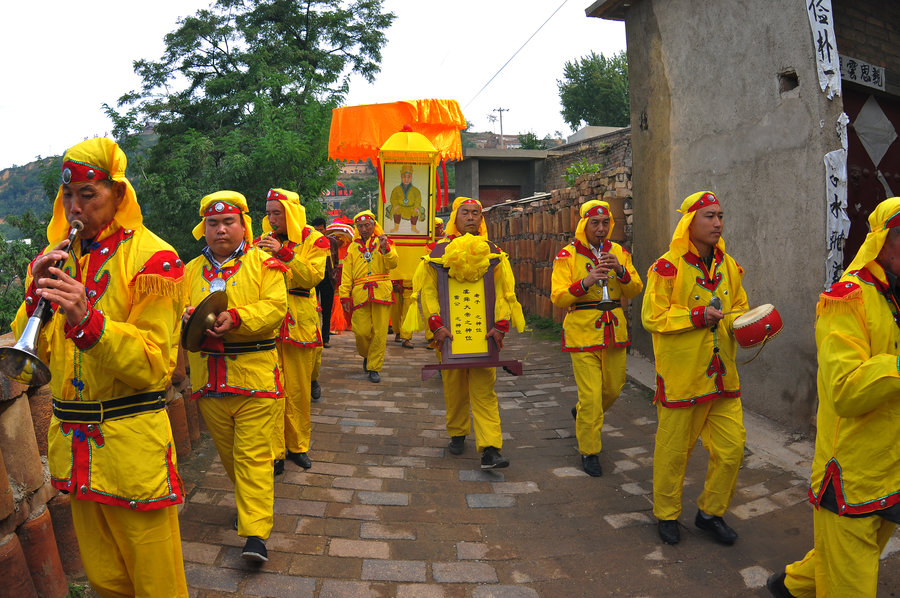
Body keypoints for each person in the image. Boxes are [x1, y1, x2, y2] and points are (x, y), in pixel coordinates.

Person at [11, 137, 188, 596]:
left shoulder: (155, 259)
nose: (75, 208)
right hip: (77, 454)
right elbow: (35, 361)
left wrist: (87, 319)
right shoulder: (66, 258)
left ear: (118, 195)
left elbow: (154, 364)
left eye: (88, 195)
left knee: (157, 584)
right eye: (68, 196)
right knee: (105, 581)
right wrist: (35, 295)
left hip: (133, 453)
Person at [767, 198, 900, 598]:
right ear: (882, 242)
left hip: (893, 466)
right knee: (851, 579)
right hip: (852, 474)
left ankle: (790, 585)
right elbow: (845, 390)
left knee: (852, 558)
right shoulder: (847, 299)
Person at [182, 190, 287, 563]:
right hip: (209, 384)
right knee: (230, 458)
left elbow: (275, 308)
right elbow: (174, 316)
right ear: (204, 228)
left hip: (255, 378)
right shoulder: (189, 271)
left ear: (244, 225)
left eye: (229, 222)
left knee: (254, 457)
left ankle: (256, 535)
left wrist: (237, 318)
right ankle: (250, 503)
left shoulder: (266, 264)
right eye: (213, 223)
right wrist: (186, 319)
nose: (221, 230)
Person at [641, 190, 749, 546]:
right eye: (710, 216)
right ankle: (667, 514)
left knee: (732, 449)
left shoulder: (728, 265)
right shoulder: (666, 267)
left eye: (720, 216)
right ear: (690, 222)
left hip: (722, 378)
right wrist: (696, 316)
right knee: (674, 452)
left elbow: (737, 310)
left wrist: (750, 325)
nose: (718, 223)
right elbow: (652, 316)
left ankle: (710, 513)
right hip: (682, 379)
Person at [405, 196, 525, 469]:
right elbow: (430, 292)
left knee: (485, 390)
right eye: (465, 213)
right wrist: (436, 324)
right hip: (449, 336)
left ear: (481, 220)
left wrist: (501, 325)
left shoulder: (494, 252)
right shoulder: (437, 253)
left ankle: (491, 447)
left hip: (485, 337)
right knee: (454, 387)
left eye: (476, 213)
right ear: (454, 218)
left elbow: (505, 292)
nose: (471, 217)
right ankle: (458, 432)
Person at [550, 200, 643, 476]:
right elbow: (558, 296)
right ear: (584, 225)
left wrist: (622, 271)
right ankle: (589, 451)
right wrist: (587, 281)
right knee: (590, 396)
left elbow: (636, 289)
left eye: (605, 223)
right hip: (582, 331)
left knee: (613, 388)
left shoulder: (619, 252)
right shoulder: (567, 256)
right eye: (595, 223)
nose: (601, 228)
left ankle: (583, 414)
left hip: (614, 329)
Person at [257, 189, 329, 471]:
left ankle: (298, 446)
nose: (272, 219)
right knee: (273, 389)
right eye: (269, 212)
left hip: (300, 321)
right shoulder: (262, 240)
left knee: (297, 390)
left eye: (277, 212)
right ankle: (275, 451)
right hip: (269, 322)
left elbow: (313, 277)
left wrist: (285, 254)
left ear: (291, 213)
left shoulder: (315, 240)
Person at [339, 210, 399, 383]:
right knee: (361, 331)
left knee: (380, 332)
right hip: (360, 293)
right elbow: (347, 274)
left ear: (374, 225)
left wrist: (384, 248)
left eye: (367, 225)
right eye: (360, 226)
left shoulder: (384, 241)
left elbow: (393, 263)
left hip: (381, 290)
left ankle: (374, 367)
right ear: (357, 228)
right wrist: (344, 295)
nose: (364, 229)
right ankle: (367, 354)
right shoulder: (352, 247)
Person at [311, 216, 338, 349]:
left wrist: (334, 274)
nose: (319, 233)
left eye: (321, 230)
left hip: (328, 278)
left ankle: (325, 338)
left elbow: (336, 260)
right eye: (316, 230)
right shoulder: (310, 242)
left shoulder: (332, 242)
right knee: (313, 309)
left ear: (325, 229)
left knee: (327, 309)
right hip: (314, 278)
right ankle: (314, 336)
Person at [387, 164, 423, 233]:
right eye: (404, 177)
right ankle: (396, 227)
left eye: (408, 177)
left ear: (411, 177)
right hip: (400, 207)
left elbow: (418, 200)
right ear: (401, 177)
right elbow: (393, 198)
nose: (406, 179)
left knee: (415, 212)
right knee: (396, 210)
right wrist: (395, 205)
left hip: (411, 208)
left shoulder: (416, 190)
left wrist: (416, 206)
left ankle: (413, 228)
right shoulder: (396, 189)